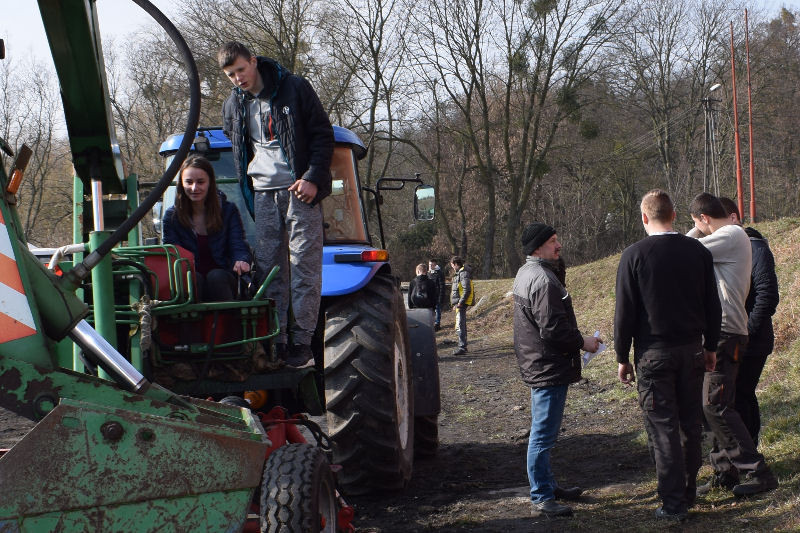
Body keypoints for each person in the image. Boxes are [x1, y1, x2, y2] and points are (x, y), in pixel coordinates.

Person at [219, 41, 334, 368]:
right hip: (263, 192)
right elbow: (239, 146)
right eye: (231, 74)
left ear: (253, 62)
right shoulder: (233, 105)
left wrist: (312, 176)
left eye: (241, 69)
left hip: (300, 189)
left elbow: (322, 135)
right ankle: (278, 341)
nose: (238, 78)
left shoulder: (294, 88)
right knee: (269, 269)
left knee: (304, 266)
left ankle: (302, 342)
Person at [615, 190, 721, 520]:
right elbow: (712, 305)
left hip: (653, 354)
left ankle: (673, 503)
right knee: (690, 425)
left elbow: (625, 313)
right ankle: (687, 494)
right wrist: (711, 346)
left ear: (645, 218)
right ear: (674, 215)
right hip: (691, 350)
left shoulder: (634, 255)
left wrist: (622, 355)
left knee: (663, 429)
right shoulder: (697, 251)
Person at [688, 192, 778, 496]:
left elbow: (683, 251)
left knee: (717, 404)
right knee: (717, 404)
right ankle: (725, 472)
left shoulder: (732, 234)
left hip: (733, 334)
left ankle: (755, 470)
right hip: (723, 334)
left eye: (699, 223)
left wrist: (750, 331)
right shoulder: (726, 238)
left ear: (704, 219)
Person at [512, 222, 602, 518]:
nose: (559, 245)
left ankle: (548, 486)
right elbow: (553, 329)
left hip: (540, 363)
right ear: (538, 247)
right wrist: (585, 342)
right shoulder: (542, 280)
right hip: (547, 366)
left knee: (544, 430)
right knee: (542, 434)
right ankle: (541, 494)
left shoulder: (528, 272)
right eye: (552, 241)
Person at [718, 197, 779, 445]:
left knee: (741, 395)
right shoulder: (730, 249)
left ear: (733, 218)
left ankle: (749, 452)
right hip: (736, 337)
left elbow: (767, 295)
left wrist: (746, 330)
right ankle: (744, 453)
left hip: (751, 339)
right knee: (737, 396)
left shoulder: (756, 249)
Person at [162, 155, 252, 302]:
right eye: (189, 182)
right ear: (181, 184)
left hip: (223, 277)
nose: (194, 188)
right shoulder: (172, 217)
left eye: (200, 182)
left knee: (215, 277)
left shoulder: (228, 211)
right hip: (191, 279)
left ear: (210, 183)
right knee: (193, 279)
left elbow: (238, 244)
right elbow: (172, 253)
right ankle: (193, 323)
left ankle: (226, 322)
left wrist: (241, 260)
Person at [450, 256, 472, 355]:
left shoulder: (463, 273)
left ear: (455, 264)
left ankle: (462, 347)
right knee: (461, 324)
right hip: (459, 303)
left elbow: (467, 289)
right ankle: (463, 345)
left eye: (452, 265)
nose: (452, 267)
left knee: (460, 325)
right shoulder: (460, 273)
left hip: (461, 304)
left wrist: (460, 302)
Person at [427, 258, 446, 330]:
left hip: (437, 295)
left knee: (437, 310)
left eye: (431, 265)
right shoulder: (428, 273)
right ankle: (431, 323)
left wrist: (441, 296)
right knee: (431, 310)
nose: (430, 266)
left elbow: (442, 285)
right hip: (430, 295)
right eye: (429, 264)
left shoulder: (439, 273)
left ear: (435, 265)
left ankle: (437, 324)